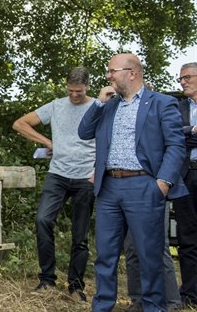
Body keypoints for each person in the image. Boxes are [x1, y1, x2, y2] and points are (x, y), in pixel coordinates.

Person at [78, 53, 188, 312]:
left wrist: (162, 183)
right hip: (108, 188)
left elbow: (175, 145)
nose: (108, 76)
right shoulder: (108, 105)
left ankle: (152, 307)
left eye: (112, 71)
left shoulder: (162, 103)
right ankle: (102, 306)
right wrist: (98, 104)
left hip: (144, 186)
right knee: (105, 255)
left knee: (149, 255)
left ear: (132, 73)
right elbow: (84, 133)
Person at [11, 67, 95, 302]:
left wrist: (98, 171)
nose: (74, 95)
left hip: (85, 177)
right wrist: (48, 141)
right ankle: (47, 279)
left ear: (87, 86)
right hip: (58, 174)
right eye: (70, 91)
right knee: (43, 220)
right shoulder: (56, 105)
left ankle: (76, 286)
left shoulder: (97, 107)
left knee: (80, 235)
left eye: (78, 91)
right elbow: (20, 124)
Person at [173, 62, 197, 306]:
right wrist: (192, 131)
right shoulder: (176, 106)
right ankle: (189, 294)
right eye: (181, 79)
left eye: (187, 77)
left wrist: (187, 137)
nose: (183, 82)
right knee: (187, 238)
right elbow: (173, 133)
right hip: (185, 177)